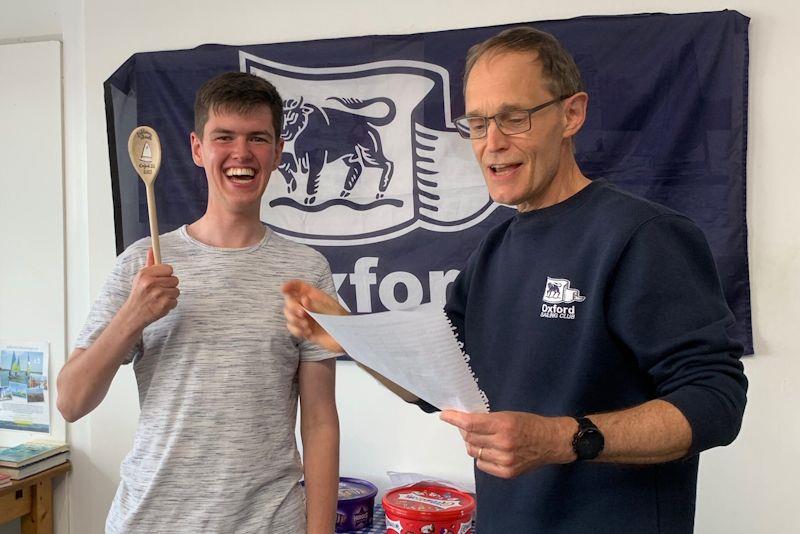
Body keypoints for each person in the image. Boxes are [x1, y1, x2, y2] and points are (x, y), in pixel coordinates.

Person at [283, 27, 748, 533]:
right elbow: (436, 384)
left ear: (571, 114)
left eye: (514, 118)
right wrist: (349, 337)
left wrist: (564, 440)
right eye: (478, 123)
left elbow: (715, 401)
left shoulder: (644, 236)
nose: (492, 144)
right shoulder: (494, 252)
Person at [57, 72, 340, 533]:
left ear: (278, 151)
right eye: (223, 137)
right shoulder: (141, 265)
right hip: (152, 520)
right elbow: (71, 401)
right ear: (196, 148)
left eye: (258, 138)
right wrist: (133, 316)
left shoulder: (308, 271)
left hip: (268, 523)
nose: (241, 154)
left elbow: (321, 421)